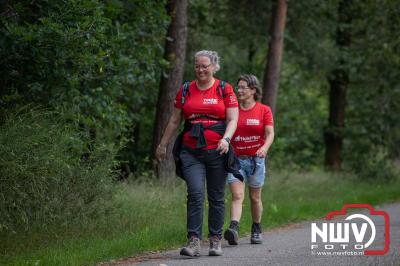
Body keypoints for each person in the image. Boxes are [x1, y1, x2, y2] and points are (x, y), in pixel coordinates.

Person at [155, 50, 239, 257]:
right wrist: (163, 144)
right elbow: (175, 120)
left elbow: (233, 120)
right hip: (191, 151)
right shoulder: (185, 89)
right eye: (197, 66)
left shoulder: (224, 89)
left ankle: (215, 240)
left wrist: (226, 139)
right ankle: (193, 241)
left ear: (214, 66)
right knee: (195, 193)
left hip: (218, 151)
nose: (201, 69)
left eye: (205, 66)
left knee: (217, 196)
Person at [223, 74, 274, 245]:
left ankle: (256, 227)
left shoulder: (263, 110)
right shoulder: (233, 109)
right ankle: (233, 228)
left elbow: (270, 133)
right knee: (237, 195)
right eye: (238, 87)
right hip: (236, 160)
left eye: (243, 87)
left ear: (253, 90)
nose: (239, 90)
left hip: (256, 161)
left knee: (254, 198)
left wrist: (264, 147)